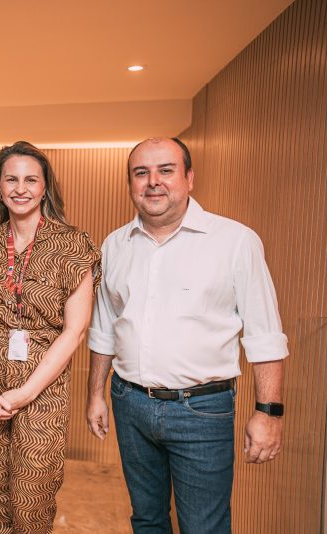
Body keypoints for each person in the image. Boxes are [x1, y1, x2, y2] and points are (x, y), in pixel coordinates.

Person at [86, 137, 288, 533]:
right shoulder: (115, 245)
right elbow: (105, 328)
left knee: (203, 527)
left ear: (189, 178)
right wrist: (95, 394)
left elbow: (265, 334)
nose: (152, 182)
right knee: (146, 520)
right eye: (141, 173)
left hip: (202, 412)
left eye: (166, 170)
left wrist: (269, 413)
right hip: (130, 404)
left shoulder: (235, 242)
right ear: (130, 183)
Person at [0, 141, 100, 533]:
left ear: (44, 186)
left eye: (30, 179)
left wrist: (26, 392)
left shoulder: (73, 245)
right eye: (11, 179)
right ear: (0, 187)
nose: (20, 188)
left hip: (43, 387)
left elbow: (75, 331)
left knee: (33, 494)